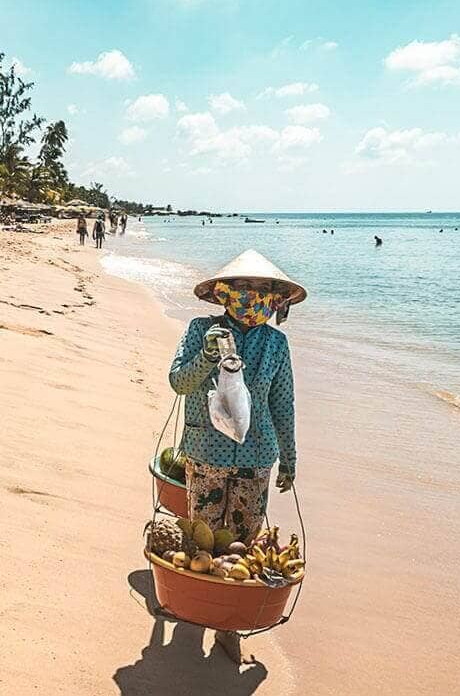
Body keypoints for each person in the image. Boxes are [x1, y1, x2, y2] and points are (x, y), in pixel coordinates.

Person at [167, 249, 304, 664]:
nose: (253, 296)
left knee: (242, 544)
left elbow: (283, 404)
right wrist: (207, 355)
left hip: (256, 455)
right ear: (224, 294)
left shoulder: (276, 344)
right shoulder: (199, 331)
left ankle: (228, 630)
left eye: (263, 290)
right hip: (205, 451)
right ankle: (195, 612)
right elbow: (179, 383)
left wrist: (290, 457)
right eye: (244, 288)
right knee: (203, 540)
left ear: (276, 300)